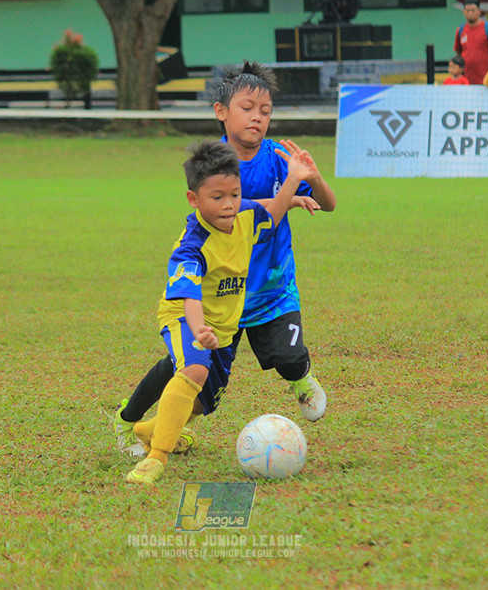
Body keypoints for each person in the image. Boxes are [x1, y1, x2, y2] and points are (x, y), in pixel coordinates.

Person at [113, 61, 338, 458]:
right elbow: (249, 210)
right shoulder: (214, 164)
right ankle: (137, 423)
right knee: (194, 380)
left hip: (271, 287)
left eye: (265, 111)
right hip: (221, 298)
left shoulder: (280, 158)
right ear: (221, 111)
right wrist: (288, 194)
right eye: (247, 108)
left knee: (288, 356)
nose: (257, 118)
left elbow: (329, 204)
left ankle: (301, 379)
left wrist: (312, 180)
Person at [124, 139, 315, 485]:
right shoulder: (191, 246)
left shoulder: (244, 216)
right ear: (193, 199)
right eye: (218, 197)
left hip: (222, 328)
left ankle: (149, 430)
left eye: (235, 194)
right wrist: (198, 330)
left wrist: (294, 180)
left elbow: (270, 219)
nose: (229, 205)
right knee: (194, 370)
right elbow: (189, 296)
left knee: (201, 404)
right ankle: (155, 458)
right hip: (186, 318)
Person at [454, 0, 488, 86]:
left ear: (479, 11)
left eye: (473, 10)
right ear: (464, 12)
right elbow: (458, 58)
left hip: (487, 81)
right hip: (467, 82)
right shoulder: (460, 31)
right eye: (467, 11)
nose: (470, 13)